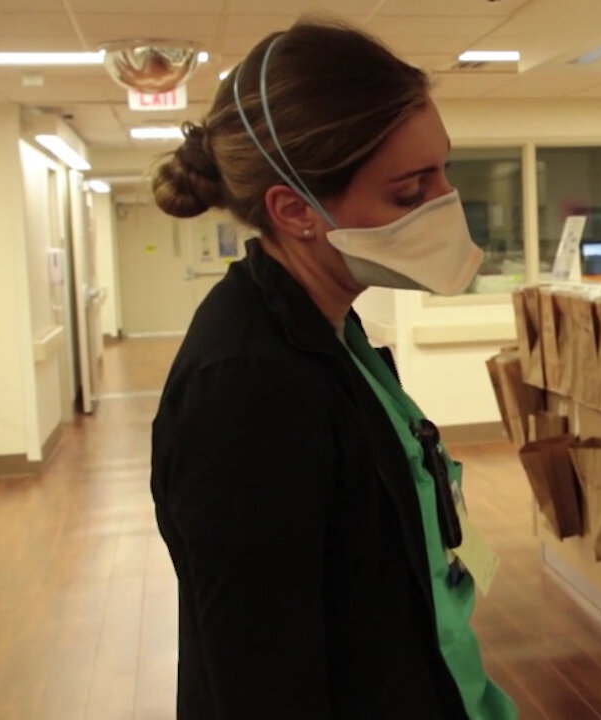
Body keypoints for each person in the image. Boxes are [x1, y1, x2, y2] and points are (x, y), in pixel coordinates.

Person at [149, 20, 515, 719]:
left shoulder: (327, 330)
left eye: (445, 171)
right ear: (295, 211)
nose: (445, 203)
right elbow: (261, 678)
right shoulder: (248, 390)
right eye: (410, 193)